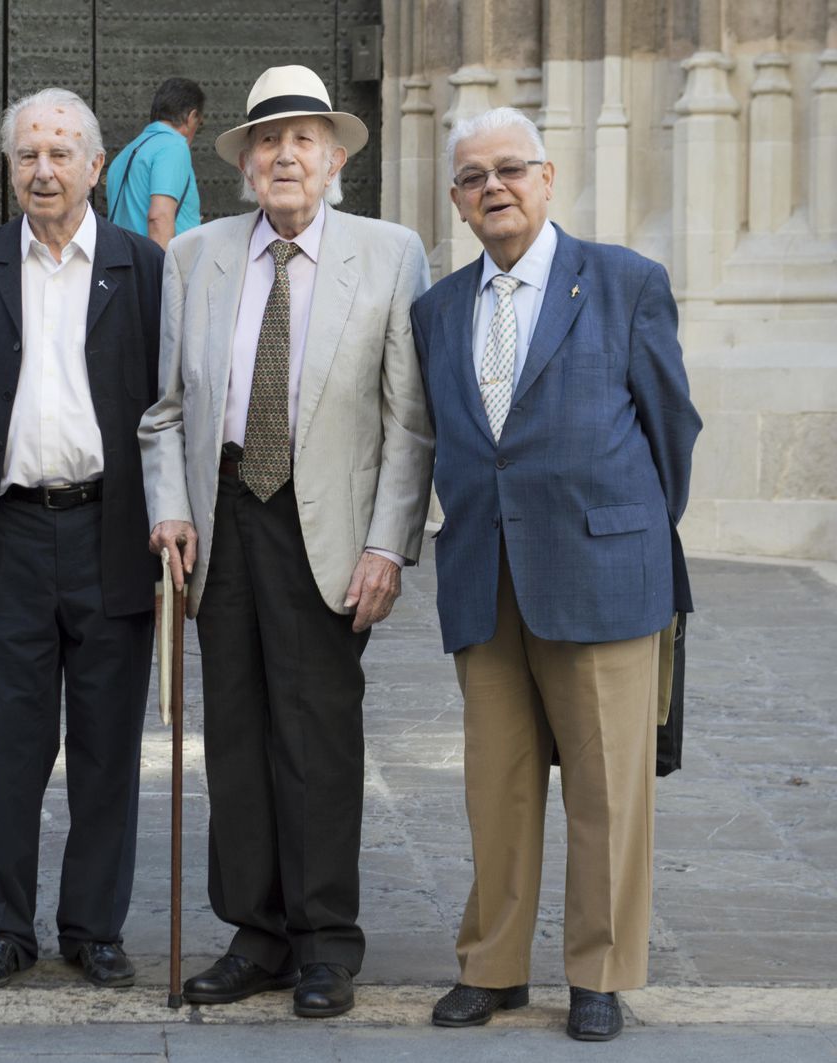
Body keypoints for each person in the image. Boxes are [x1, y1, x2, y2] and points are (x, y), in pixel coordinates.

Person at [138, 64, 433, 1019]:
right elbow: (165, 412)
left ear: (336, 156)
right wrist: (170, 504)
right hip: (225, 516)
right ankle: (254, 933)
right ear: (243, 161)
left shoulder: (389, 253)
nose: (284, 156)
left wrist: (389, 545)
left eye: (303, 138)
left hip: (329, 526)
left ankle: (324, 940)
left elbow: (409, 423)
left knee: (317, 736)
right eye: (267, 141)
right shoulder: (198, 256)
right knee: (234, 735)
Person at [411, 106, 700, 1042]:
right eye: (472, 177)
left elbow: (672, 430)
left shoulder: (623, 283)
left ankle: (600, 973)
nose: (492, 186)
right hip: (485, 574)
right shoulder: (436, 309)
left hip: (601, 568)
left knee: (609, 788)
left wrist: (627, 529)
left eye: (510, 169)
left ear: (546, 178)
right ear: (456, 202)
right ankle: (491, 966)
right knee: (495, 784)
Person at [0, 88, 163, 992]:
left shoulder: (145, 269)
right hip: (9, 536)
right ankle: (2, 924)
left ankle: (93, 926)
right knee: (6, 745)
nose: (44, 169)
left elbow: (173, 405)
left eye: (62, 153)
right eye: (29, 154)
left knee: (109, 743)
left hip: (112, 530)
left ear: (96, 166)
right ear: (10, 166)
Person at [106, 77, 205, 248]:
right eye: (199, 123)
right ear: (191, 117)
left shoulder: (125, 153)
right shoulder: (173, 146)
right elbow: (159, 218)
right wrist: (163, 273)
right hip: (155, 269)